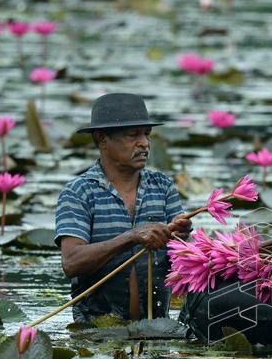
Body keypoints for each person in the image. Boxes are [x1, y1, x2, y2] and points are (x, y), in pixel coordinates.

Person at [54, 93, 191, 323]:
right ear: (102, 139)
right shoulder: (79, 192)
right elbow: (71, 262)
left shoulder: (163, 186)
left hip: (157, 328)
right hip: (96, 331)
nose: (145, 144)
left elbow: (183, 260)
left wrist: (183, 241)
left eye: (147, 134)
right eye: (133, 135)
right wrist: (132, 237)